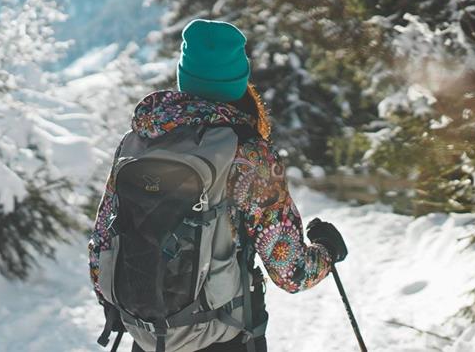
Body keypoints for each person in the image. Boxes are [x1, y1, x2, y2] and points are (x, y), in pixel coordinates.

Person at [88, 19, 348, 352]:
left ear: (185, 75)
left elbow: (102, 242)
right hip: (223, 336)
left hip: (148, 335)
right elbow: (290, 271)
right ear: (239, 80)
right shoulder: (249, 154)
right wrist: (327, 251)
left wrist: (138, 307)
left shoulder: (139, 140)